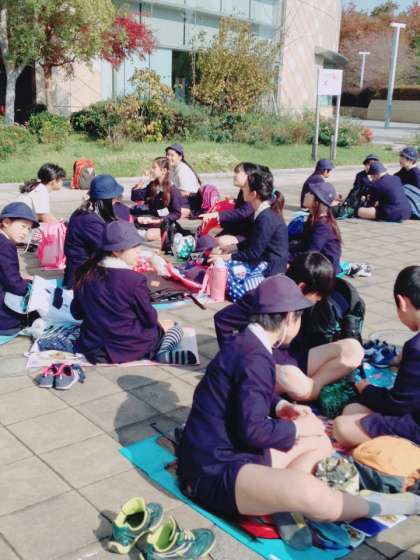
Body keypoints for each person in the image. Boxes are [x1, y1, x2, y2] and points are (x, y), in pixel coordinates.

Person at [178, 275, 420, 523]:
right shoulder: (255, 359)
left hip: (228, 450)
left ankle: (282, 501)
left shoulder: (244, 343)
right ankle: (384, 505)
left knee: (321, 441)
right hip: (213, 471)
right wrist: (297, 428)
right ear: (288, 319)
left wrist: (281, 406)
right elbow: (254, 431)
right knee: (310, 493)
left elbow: (246, 394)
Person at [214, 253, 364, 401]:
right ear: (302, 287)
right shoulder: (265, 296)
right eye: (317, 295)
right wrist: (236, 359)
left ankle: (312, 388)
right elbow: (222, 320)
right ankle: (303, 390)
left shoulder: (298, 299)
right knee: (291, 378)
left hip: (295, 360)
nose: (318, 300)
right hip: (274, 367)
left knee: (353, 349)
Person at [71, 221, 188, 365]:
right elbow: (149, 319)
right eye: (133, 247)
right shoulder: (134, 280)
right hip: (128, 347)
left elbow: (77, 313)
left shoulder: (85, 272)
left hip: (93, 348)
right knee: (175, 327)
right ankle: (163, 352)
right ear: (116, 251)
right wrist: (160, 325)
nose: (138, 251)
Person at [334, 266, 420, 448]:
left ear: (402, 302)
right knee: (351, 410)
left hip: (414, 427)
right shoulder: (413, 348)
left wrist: (366, 389)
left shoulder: (416, 348)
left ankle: (405, 452)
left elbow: (396, 405)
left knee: (341, 427)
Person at [208, 166, 288, 280]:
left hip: (270, 270)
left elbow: (254, 253)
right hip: (264, 261)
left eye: (245, 187)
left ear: (253, 194)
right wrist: (234, 247)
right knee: (218, 255)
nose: (242, 189)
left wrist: (227, 257)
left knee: (222, 268)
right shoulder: (262, 212)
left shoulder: (266, 217)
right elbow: (254, 241)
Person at [63, 175, 130, 289]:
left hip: (97, 265)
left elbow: (123, 215)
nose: (116, 201)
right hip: (83, 275)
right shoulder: (86, 218)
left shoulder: (101, 209)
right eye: (114, 198)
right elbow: (111, 246)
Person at [0, 203, 39, 335]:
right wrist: (28, 287)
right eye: (23, 226)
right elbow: (14, 285)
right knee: (36, 311)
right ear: (6, 222)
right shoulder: (5, 246)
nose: (26, 232)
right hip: (2, 318)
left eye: (29, 229)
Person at [199, 162, 256, 250]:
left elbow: (243, 212)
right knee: (209, 233)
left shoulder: (253, 194)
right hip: (238, 229)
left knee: (218, 242)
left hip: (248, 236)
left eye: (237, 172)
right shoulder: (243, 191)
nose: (234, 175)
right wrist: (235, 200)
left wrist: (216, 215)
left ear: (247, 175)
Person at [292, 182, 342, 275]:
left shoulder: (323, 225)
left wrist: (286, 257)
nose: (306, 194)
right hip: (317, 262)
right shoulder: (314, 217)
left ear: (317, 201)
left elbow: (310, 253)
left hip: (325, 270)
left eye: (310, 193)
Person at [130, 157, 183, 242]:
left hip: (164, 222)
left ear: (164, 171)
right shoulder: (153, 185)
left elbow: (176, 213)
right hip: (150, 218)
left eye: (154, 168)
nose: (151, 170)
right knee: (128, 221)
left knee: (149, 235)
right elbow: (135, 197)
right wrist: (142, 180)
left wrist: (159, 220)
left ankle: (169, 233)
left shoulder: (173, 191)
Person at [165, 143, 201, 215]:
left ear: (180, 157)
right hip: (181, 199)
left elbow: (186, 193)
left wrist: (167, 195)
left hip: (190, 200)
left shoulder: (183, 170)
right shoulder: (172, 168)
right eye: (167, 155)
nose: (168, 157)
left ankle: (188, 212)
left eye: (172, 155)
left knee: (165, 209)